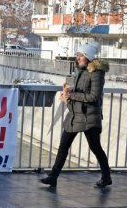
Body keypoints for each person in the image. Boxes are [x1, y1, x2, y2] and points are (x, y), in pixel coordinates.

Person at [40, 41, 112, 188]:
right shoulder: (80, 70)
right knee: (63, 146)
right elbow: (79, 90)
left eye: (81, 55)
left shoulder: (97, 73)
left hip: (89, 117)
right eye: (78, 55)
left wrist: (72, 95)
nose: (78, 58)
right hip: (74, 115)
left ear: (88, 57)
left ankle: (106, 177)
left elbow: (93, 97)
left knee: (95, 147)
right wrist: (67, 94)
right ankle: (53, 177)